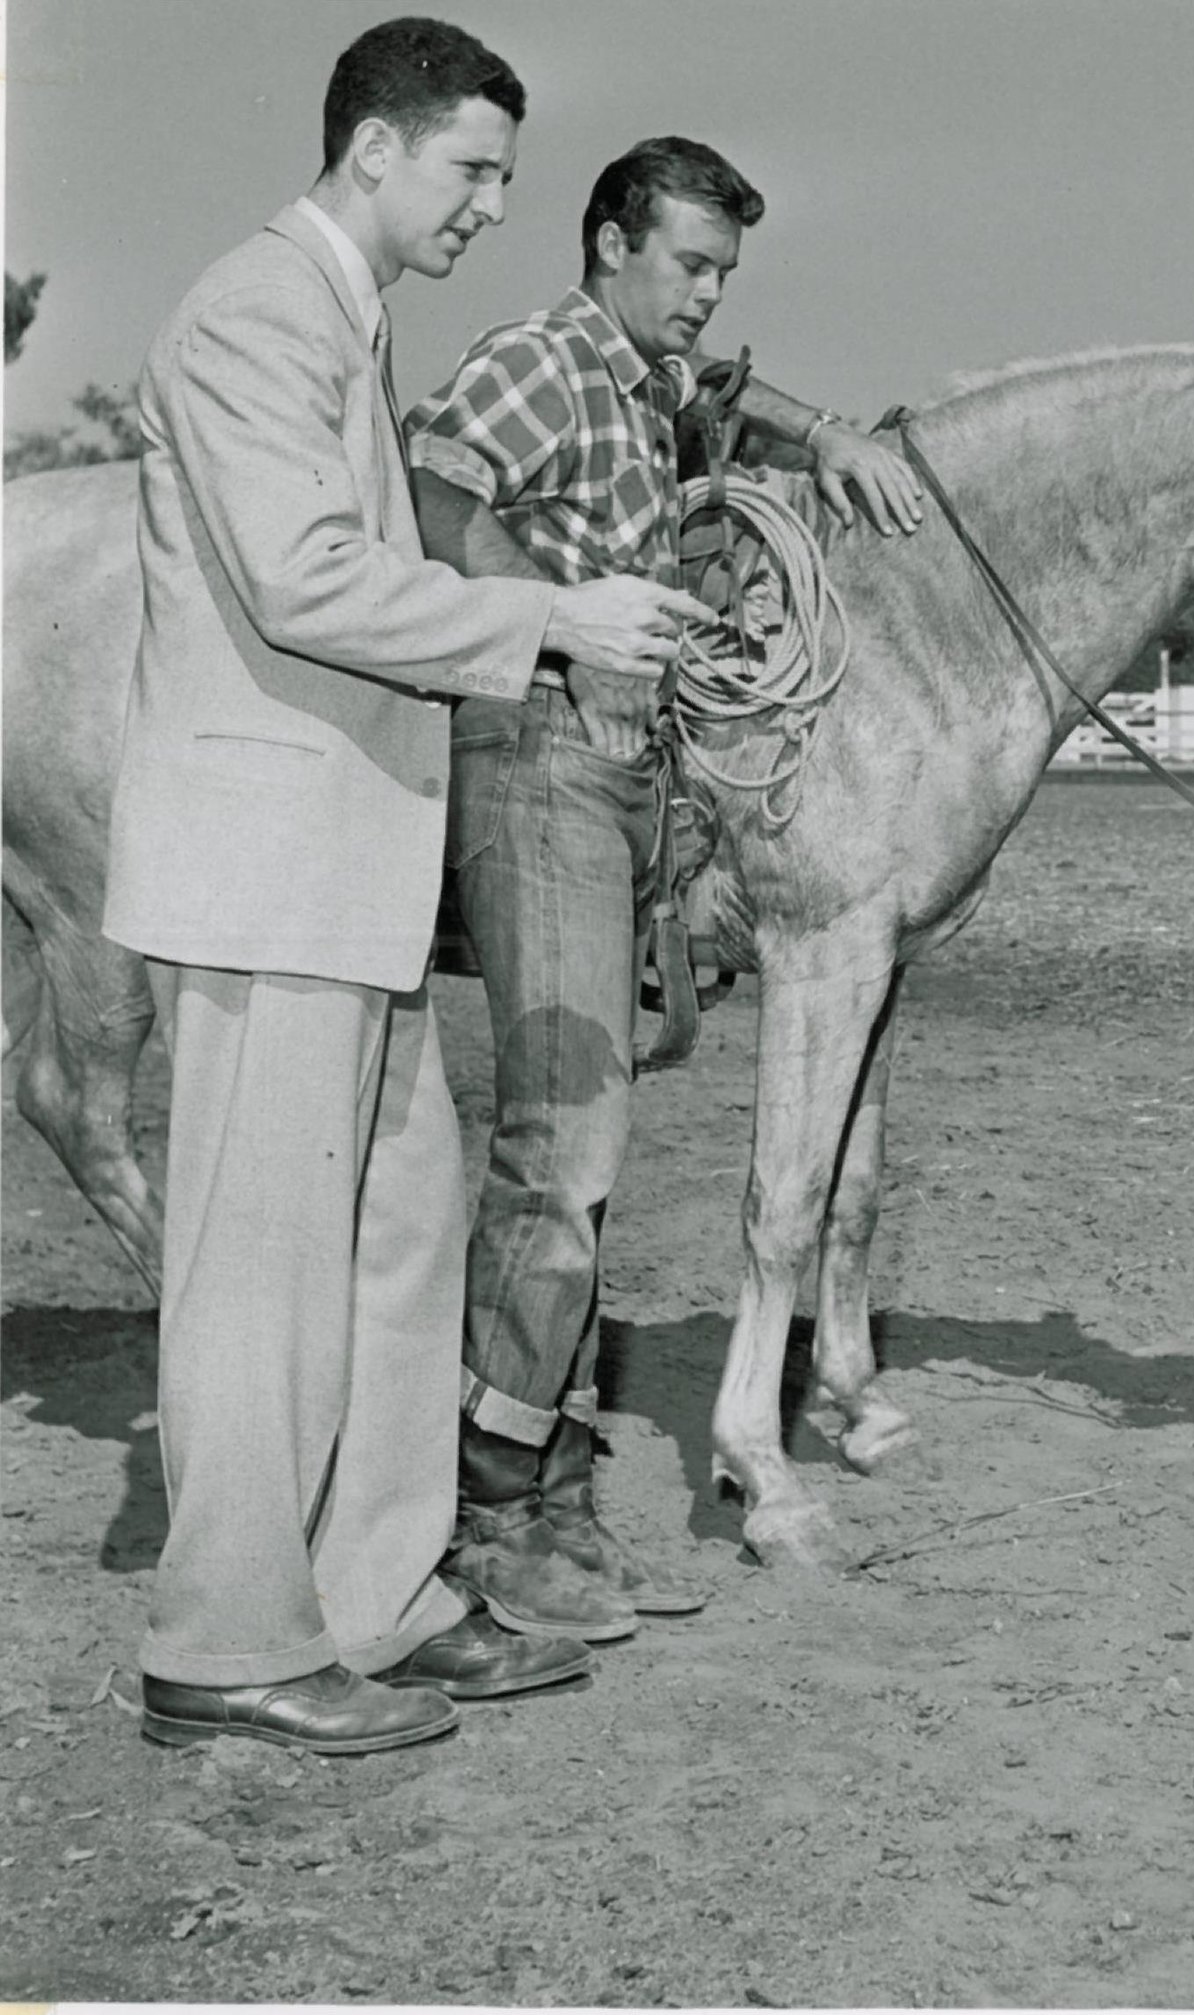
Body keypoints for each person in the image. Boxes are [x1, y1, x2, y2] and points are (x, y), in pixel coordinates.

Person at [104, 17, 708, 1755]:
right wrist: (553, 619)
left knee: (399, 1236)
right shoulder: (254, 312)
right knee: (262, 1271)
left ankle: (373, 1595)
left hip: (340, 874)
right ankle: (224, 1644)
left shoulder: (343, 326)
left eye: (505, 176)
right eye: (472, 170)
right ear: (374, 149)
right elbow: (305, 582)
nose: (491, 206)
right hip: (267, 876)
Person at [406, 136, 925, 1639]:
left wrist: (824, 433)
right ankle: (494, 1510)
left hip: (617, 772)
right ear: (610, 242)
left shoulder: (641, 386)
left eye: (723, 274)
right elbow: (434, 492)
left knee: (592, 1138)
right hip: (538, 754)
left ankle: (547, 1468)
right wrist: (562, 624)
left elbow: (723, 398)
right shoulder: (544, 360)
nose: (705, 296)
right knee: (560, 1142)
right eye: (689, 265)